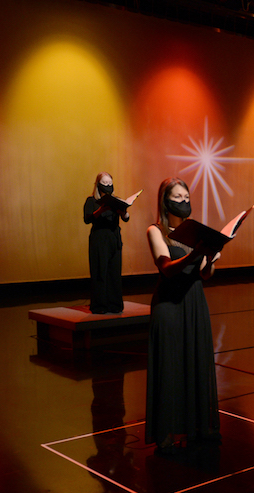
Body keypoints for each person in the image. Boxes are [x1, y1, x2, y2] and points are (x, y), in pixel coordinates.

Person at [145, 178, 221, 454]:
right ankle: (165, 432)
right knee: (170, 366)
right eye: (177, 197)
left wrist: (210, 258)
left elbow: (204, 274)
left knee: (195, 360)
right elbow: (166, 267)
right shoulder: (156, 231)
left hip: (194, 301)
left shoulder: (195, 233)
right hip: (169, 303)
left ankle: (198, 426)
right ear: (165, 201)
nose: (183, 201)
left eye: (186, 196)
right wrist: (195, 255)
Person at [83, 172, 129, 314]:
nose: (108, 186)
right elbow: (87, 219)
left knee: (114, 272)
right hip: (99, 239)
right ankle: (99, 306)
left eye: (110, 183)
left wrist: (124, 212)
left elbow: (126, 218)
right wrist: (101, 210)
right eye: (105, 183)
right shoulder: (91, 201)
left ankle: (114, 304)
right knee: (100, 272)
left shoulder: (116, 200)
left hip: (114, 239)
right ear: (98, 184)